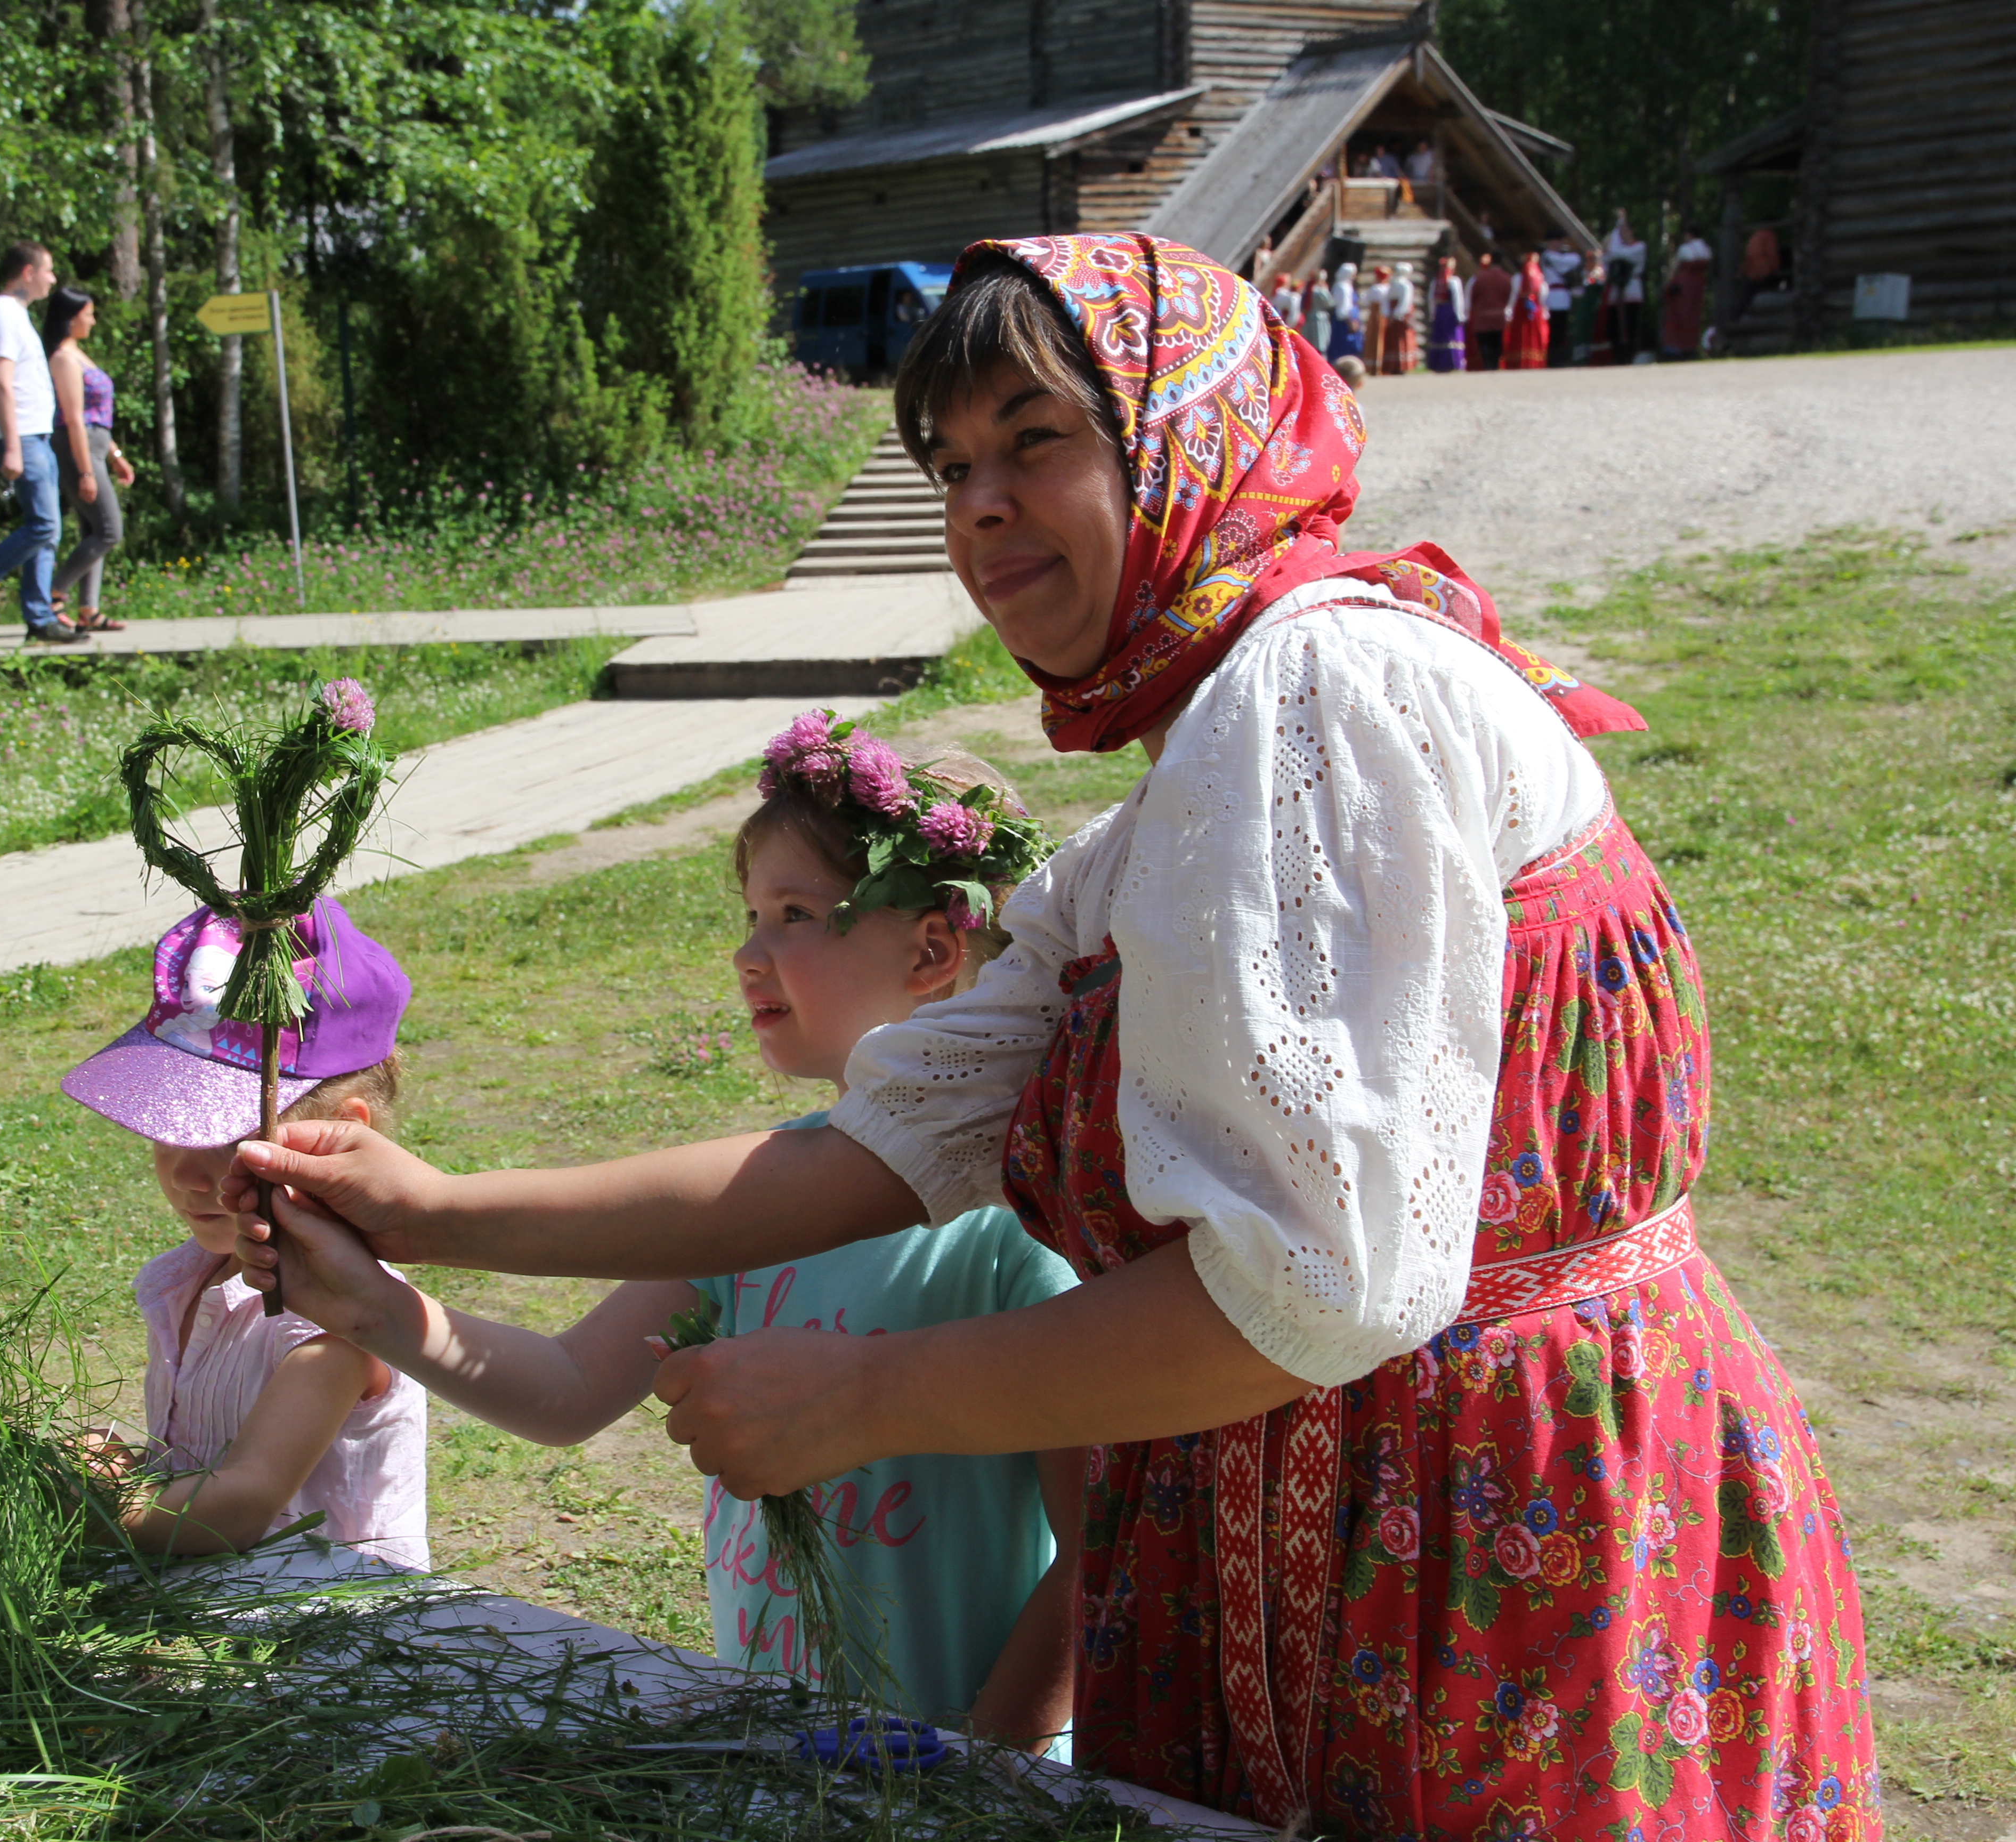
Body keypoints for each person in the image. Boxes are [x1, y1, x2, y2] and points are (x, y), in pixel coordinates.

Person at [226, 232, 1879, 1840]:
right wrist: (430, 1205)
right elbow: (872, 1148)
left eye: (1034, 446)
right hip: (1385, 1523)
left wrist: (863, 1400)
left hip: (1490, 1544)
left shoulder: (1318, 697)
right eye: (948, 467)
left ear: (1192, 446)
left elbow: (1322, 1286)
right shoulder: (1187, 785)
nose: (981, 508)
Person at [268, 742, 1083, 1746]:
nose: (748, 953)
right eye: (749, 916)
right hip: (782, 1752)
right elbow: (570, 1384)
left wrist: (978, 1767)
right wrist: (371, 1307)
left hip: (956, 1772)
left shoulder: (1019, 1223)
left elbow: (1093, 1558)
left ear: (930, 949)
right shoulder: (759, 1201)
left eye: (793, 915)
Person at [60, 900, 427, 1568]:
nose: (186, 1171)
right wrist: (130, 1465)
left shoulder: (340, 1322)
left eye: (223, 1137)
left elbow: (240, 1507)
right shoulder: (191, 1278)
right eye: (165, 1127)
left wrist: (95, 1501)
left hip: (330, 1638)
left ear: (342, 1133)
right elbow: (206, 1464)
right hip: (215, 1612)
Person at [0, 241, 84, 644]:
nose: (53, 278)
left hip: (34, 435)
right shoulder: (2, 315)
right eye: (49, 270)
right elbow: (0, 382)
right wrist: (11, 445)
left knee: (48, 529)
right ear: (27, 272)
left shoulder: (16, 315)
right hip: (22, 437)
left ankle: (39, 617)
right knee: (44, 526)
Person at [43, 287, 134, 633]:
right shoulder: (64, 359)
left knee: (93, 530)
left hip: (95, 446)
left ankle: (88, 611)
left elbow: (99, 417)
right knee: (110, 530)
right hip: (76, 448)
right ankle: (53, 596)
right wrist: (85, 471)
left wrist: (116, 456)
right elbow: (75, 417)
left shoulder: (78, 355)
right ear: (71, 318)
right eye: (89, 313)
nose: (93, 320)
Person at [1601, 207, 1649, 363]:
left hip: (1631, 290)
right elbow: (1607, 256)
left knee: (1629, 325)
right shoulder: (1620, 247)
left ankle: (1629, 356)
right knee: (1613, 326)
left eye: (1625, 230)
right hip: (1617, 292)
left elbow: (1615, 253)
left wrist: (1620, 223)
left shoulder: (1639, 247)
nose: (1622, 234)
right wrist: (1619, 222)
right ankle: (1618, 355)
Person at [1659, 225, 1715, 359]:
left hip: (1683, 287)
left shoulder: (1685, 249)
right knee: (1693, 316)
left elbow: (1675, 268)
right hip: (1698, 287)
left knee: (1678, 316)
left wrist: (1667, 284)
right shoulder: (1707, 250)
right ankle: (1691, 347)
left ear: (1689, 235)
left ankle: (1675, 349)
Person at [1466, 249, 1512, 370]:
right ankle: (1495, 365)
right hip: (1499, 316)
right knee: (1497, 343)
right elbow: (1510, 297)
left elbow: (1472, 297)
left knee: (1484, 343)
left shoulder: (1479, 278)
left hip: (1482, 317)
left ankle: (1488, 365)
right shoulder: (1507, 278)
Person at [1540, 240, 1584, 365]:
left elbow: (1576, 260)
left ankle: (1558, 356)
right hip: (1552, 296)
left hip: (1564, 297)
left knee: (1561, 329)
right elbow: (1571, 261)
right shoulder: (1548, 256)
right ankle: (1551, 358)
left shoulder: (1564, 257)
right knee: (1553, 329)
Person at [1507, 250, 1550, 369]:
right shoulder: (1540, 277)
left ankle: (1519, 361)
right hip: (1535, 309)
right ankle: (1535, 362)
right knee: (1535, 335)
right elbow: (1543, 297)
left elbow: (1514, 296)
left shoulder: (1517, 278)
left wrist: (1509, 310)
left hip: (1521, 308)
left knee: (1521, 334)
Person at [1426, 253, 1467, 373]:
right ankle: (1453, 362)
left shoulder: (1436, 281)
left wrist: (1433, 314)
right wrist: (1460, 315)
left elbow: (1431, 299)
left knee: (1440, 337)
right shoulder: (1454, 281)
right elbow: (1458, 299)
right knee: (1451, 336)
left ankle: (1438, 364)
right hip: (1450, 312)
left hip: (1439, 312)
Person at [1382, 260, 1418, 374]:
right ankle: (1401, 365)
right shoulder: (1405, 285)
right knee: (1402, 339)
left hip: (1394, 314)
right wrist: (1398, 314)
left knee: (1394, 339)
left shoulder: (1392, 283)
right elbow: (1405, 302)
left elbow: (1387, 301)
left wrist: (1389, 315)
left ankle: (1393, 365)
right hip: (1401, 315)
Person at [1327, 262, 1364, 363]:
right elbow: (1344, 308)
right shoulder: (1343, 288)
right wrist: (1350, 322)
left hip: (1349, 319)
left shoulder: (1344, 286)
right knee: (1345, 346)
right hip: (1345, 322)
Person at [1301, 270, 1335, 354]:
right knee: (1321, 345)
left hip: (1309, 318)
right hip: (1320, 318)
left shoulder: (1307, 290)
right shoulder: (1321, 291)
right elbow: (1330, 303)